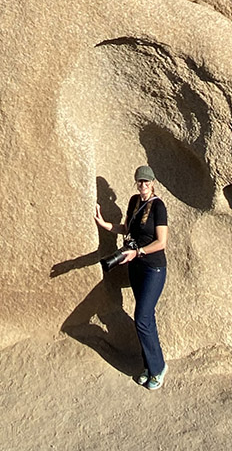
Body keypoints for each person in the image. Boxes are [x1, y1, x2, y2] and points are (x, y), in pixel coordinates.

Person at [94, 165, 168, 389]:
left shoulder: (159, 207)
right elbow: (126, 228)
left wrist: (138, 252)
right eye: (140, 182)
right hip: (135, 267)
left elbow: (161, 242)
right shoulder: (134, 201)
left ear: (153, 182)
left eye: (146, 182)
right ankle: (149, 365)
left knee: (142, 318)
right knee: (146, 319)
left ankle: (158, 369)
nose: (143, 186)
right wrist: (105, 225)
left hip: (153, 269)